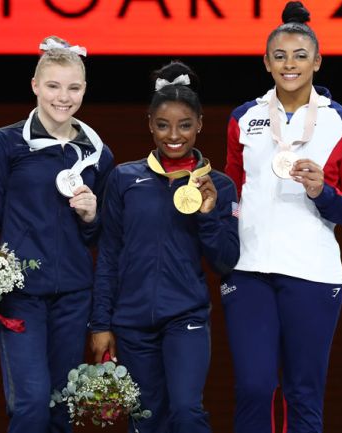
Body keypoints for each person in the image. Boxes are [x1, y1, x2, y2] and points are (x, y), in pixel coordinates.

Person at [223, 2, 342, 432]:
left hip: (313, 274)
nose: (290, 65)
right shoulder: (243, 118)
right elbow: (233, 191)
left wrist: (321, 193)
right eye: (280, 56)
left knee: (303, 391)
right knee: (253, 387)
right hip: (249, 270)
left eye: (300, 55)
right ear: (266, 62)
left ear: (317, 61)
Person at [0, 35, 115, 433]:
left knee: (60, 410)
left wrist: (91, 215)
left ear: (84, 89)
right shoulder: (5, 144)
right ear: (35, 85)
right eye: (53, 85)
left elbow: (102, 238)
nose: (62, 97)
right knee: (30, 404)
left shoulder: (99, 154)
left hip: (73, 296)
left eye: (73, 87)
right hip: (20, 296)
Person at [89, 61, 240, 433]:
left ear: (200, 124)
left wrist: (206, 214)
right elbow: (109, 254)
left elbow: (227, 261)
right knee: (146, 418)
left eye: (185, 125)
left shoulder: (219, 187)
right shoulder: (125, 178)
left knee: (187, 412)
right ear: (149, 124)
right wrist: (101, 323)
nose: (174, 135)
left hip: (185, 317)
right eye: (163, 125)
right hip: (132, 321)